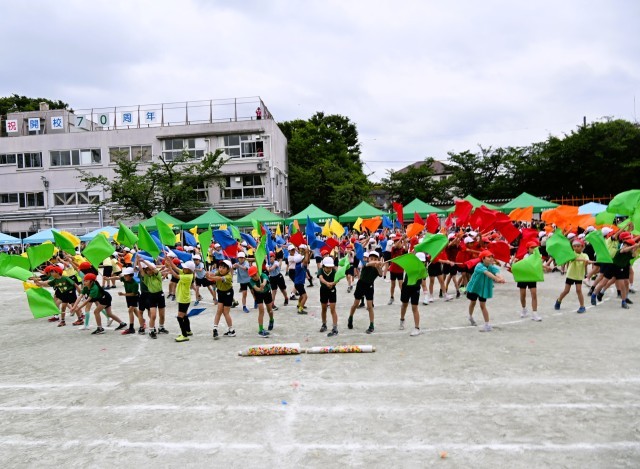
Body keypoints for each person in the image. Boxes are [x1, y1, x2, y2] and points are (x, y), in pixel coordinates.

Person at [466, 250, 506, 332]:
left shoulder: (491, 266)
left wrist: (501, 278)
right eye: (489, 257)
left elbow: (496, 272)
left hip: (483, 289)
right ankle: (470, 316)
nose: (491, 258)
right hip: (474, 288)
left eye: (492, 257)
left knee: (482, 306)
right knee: (473, 303)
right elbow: (487, 273)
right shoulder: (479, 265)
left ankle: (487, 325)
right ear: (483, 258)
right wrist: (496, 279)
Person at [347, 251, 384, 334]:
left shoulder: (377, 267)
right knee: (355, 304)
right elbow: (369, 264)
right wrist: (376, 262)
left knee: (370, 307)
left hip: (369, 286)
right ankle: (350, 317)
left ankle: (371, 325)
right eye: (371, 258)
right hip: (361, 285)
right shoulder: (365, 263)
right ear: (368, 259)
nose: (373, 260)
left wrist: (378, 267)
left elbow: (381, 274)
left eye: (375, 259)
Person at [554, 239, 593, 313]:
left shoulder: (585, 255)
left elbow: (586, 264)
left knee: (579, 290)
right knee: (566, 290)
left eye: (578, 246)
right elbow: (574, 259)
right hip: (570, 275)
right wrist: (583, 260)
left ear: (582, 247)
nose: (576, 248)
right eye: (574, 246)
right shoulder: (571, 254)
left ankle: (582, 306)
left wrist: (587, 262)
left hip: (578, 276)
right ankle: (559, 300)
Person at [137, 258, 168, 339]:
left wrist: (144, 261)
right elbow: (141, 270)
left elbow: (154, 269)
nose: (149, 271)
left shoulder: (158, 275)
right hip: (152, 296)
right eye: (147, 270)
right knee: (153, 315)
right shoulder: (146, 278)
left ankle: (161, 327)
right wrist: (139, 262)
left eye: (150, 269)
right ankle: (151, 331)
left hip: (160, 295)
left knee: (162, 315)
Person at [165, 259, 195, 342]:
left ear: (189, 270)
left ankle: (184, 335)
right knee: (184, 315)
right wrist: (170, 261)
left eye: (185, 268)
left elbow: (176, 275)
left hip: (183, 299)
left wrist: (169, 267)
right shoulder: (186, 273)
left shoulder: (188, 276)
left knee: (180, 317)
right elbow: (176, 268)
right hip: (184, 298)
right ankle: (188, 331)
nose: (183, 268)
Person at [206, 259, 236, 339]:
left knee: (226, 312)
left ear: (228, 269)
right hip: (220, 293)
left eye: (223, 268)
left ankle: (231, 330)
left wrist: (211, 277)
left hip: (228, 294)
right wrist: (208, 274)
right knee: (219, 310)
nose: (221, 269)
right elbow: (212, 275)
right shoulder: (218, 272)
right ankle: (215, 329)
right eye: (220, 267)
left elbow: (219, 278)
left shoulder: (228, 276)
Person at [399, 252, 426, 336]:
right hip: (406, 287)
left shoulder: (423, 269)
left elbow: (423, 280)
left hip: (416, 289)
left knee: (414, 307)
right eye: (419, 261)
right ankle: (402, 320)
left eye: (423, 262)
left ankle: (417, 328)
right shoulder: (410, 266)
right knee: (404, 304)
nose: (421, 263)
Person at [516, 241, 543, 322]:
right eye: (532, 247)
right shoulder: (526, 256)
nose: (534, 249)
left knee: (534, 294)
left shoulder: (537, 256)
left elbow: (538, 265)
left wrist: (545, 266)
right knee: (522, 295)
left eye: (535, 247)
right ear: (527, 249)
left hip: (531, 276)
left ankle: (535, 313)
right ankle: (524, 309)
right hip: (523, 276)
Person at [248, 265, 274, 337]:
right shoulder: (251, 281)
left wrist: (263, 284)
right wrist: (260, 289)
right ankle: (260, 329)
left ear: (258, 272)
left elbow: (265, 280)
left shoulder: (263, 275)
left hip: (267, 293)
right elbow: (256, 288)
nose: (254, 277)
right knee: (261, 311)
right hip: (258, 294)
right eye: (252, 276)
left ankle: (271, 320)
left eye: (255, 275)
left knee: (270, 310)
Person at [117, 267, 144, 335]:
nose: (124, 277)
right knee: (134, 310)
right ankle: (143, 321)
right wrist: (108, 278)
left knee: (130, 310)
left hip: (134, 297)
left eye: (126, 276)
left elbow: (133, 294)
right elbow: (118, 277)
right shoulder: (125, 279)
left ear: (131, 276)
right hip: (128, 297)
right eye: (124, 275)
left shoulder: (135, 284)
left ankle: (131, 328)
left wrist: (123, 294)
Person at [318, 256, 339, 337]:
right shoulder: (321, 270)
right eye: (327, 267)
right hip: (323, 290)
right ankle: (324, 324)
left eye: (330, 267)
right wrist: (327, 283)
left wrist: (332, 284)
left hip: (332, 291)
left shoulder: (334, 271)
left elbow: (337, 279)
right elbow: (321, 278)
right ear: (324, 266)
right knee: (324, 308)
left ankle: (335, 327)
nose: (329, 269)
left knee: (333, 309)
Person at [387, 234, 406, 305]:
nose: (397, 243)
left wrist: (404, 240)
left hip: (400, 270)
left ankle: (404, 297)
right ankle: (392, 297)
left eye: (399, 242)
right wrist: (401, 239)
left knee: (401, 284)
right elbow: (395, 246)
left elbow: (406, 249)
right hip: (393, 270)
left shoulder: (402, 250)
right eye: (395, 242)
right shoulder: (393, 249)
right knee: (393, 285)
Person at [293, 247, 311, 314]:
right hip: (299, 284)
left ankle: (299, 304)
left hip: (298, 283)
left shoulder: (299, 264)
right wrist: (306, 253)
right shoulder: (299, 265)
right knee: (305, 297)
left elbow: (307, 261)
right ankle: (300, 309)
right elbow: (305, 261)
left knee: (301, 295)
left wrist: (308, 253)